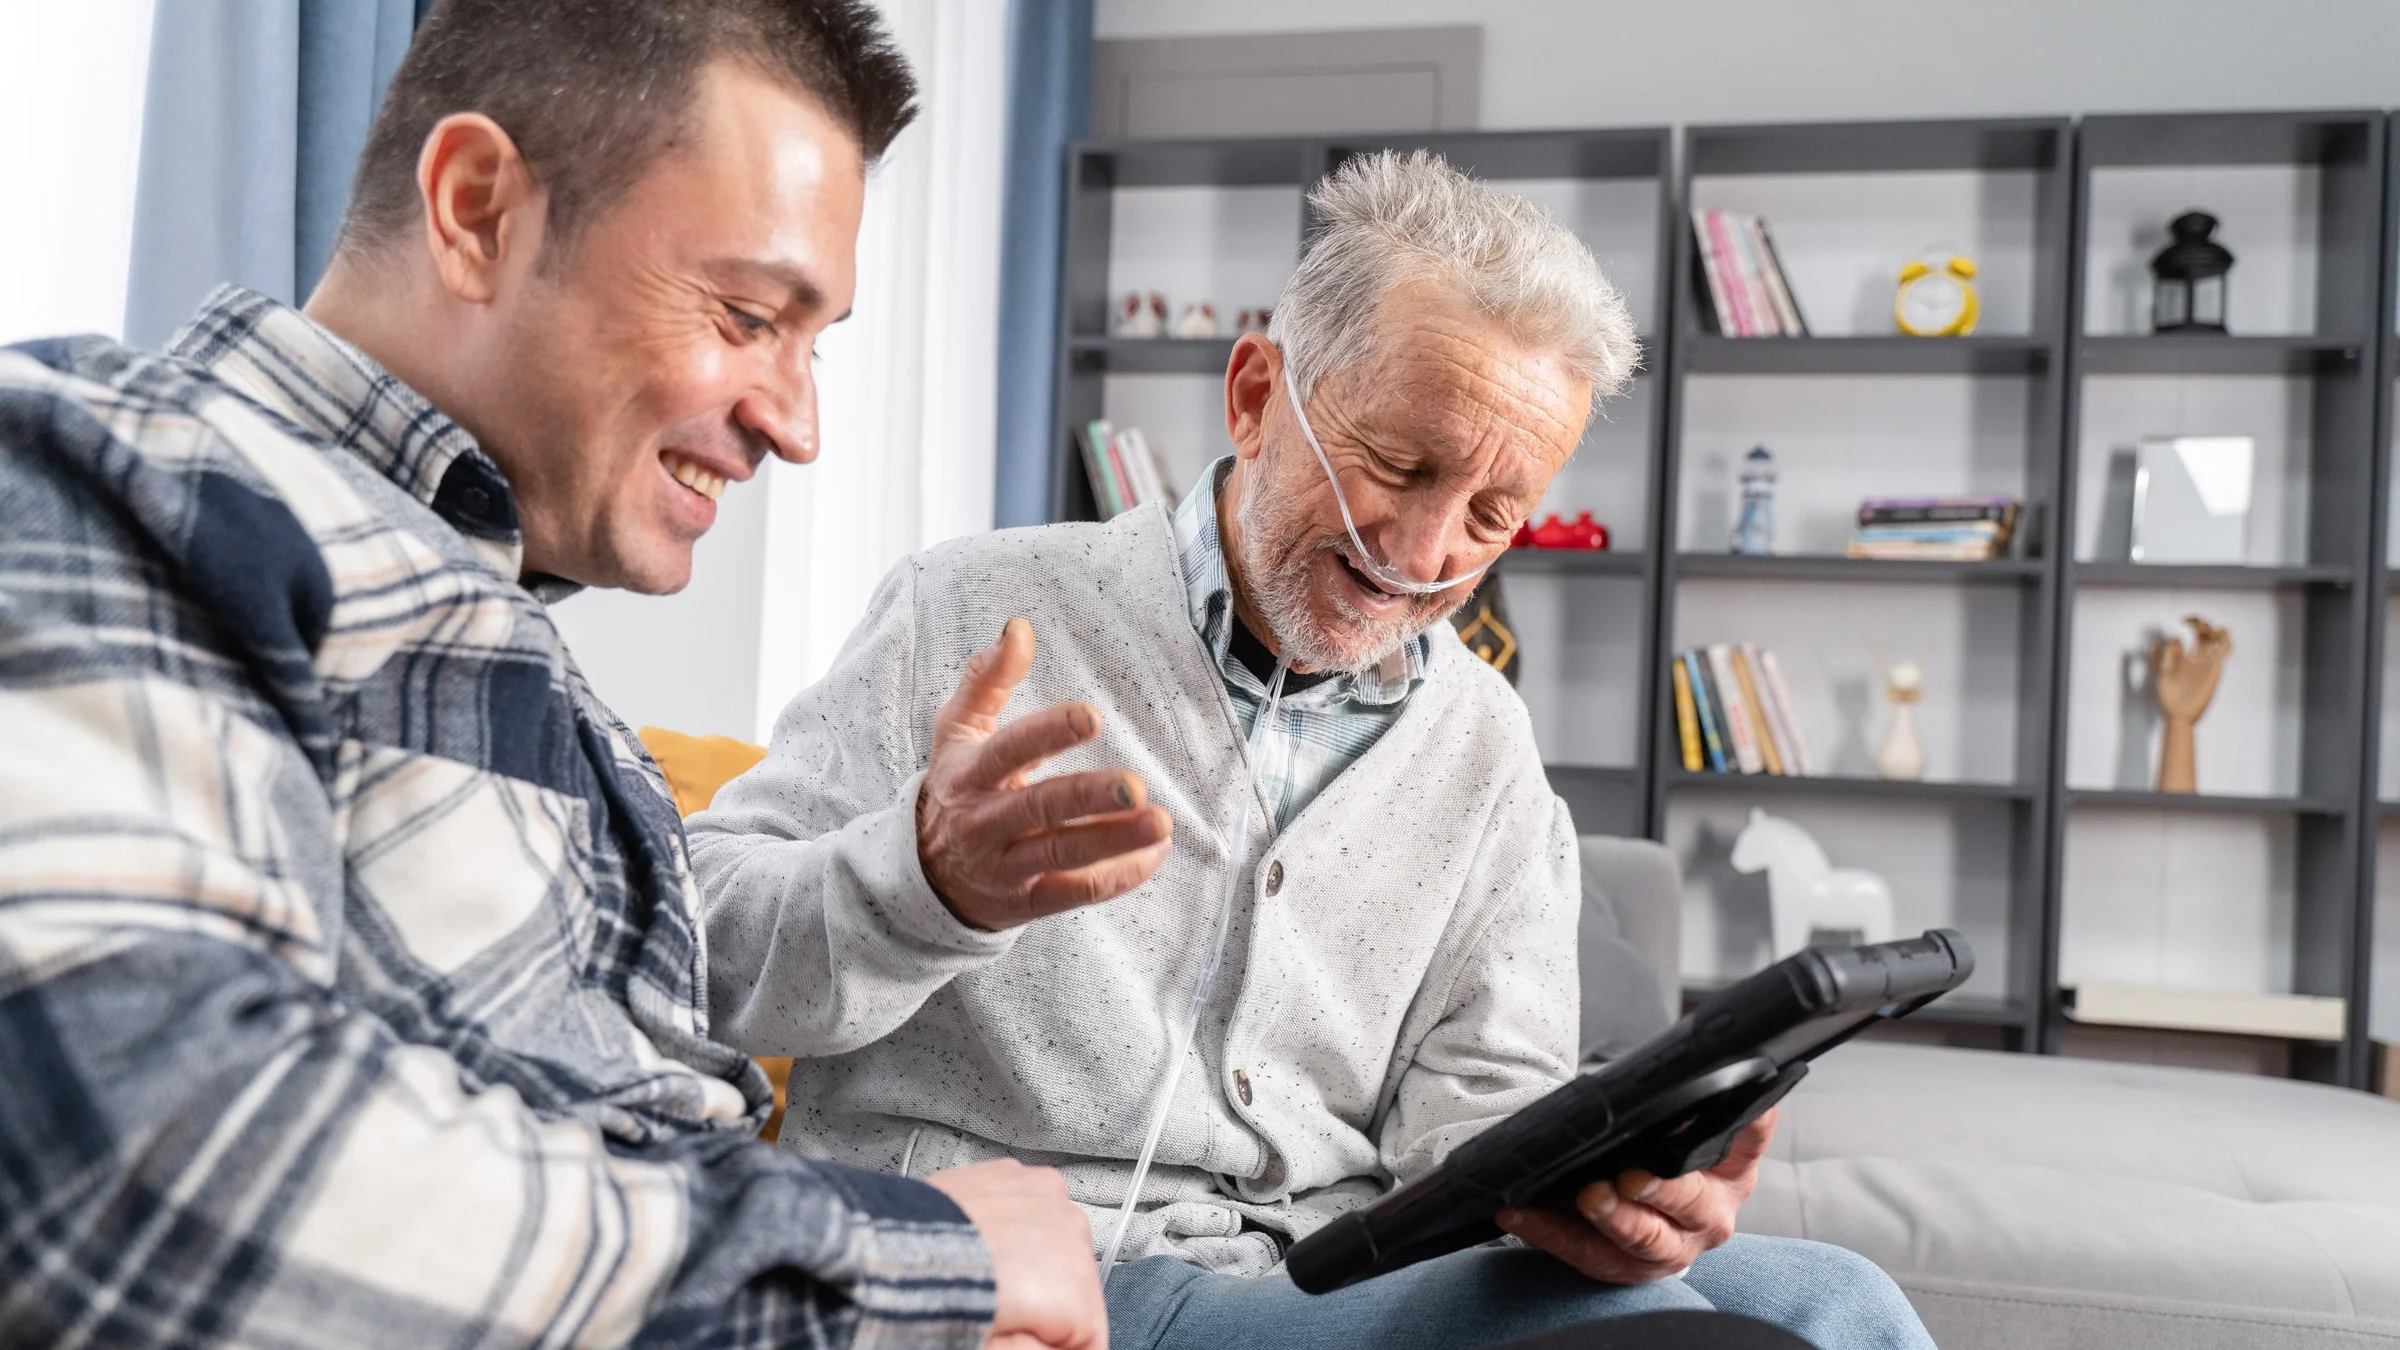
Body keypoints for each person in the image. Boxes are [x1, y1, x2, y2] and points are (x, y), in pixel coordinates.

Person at [688, 151, 1937, 1350]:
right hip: (1026, 1264)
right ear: (1253, 396)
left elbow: (1480, 1115)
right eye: (1401, 465)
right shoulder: (969, 610)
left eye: (1494, 514)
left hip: (1324, 1273)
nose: (1428, 549)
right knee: (1628, 1337)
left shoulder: (1485, 745)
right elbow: (700, 949)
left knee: (1839, 1307)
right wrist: (922, 883)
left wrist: (1594, 1191)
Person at [0, 2, 1103, 1347]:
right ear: (476, 209)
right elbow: (143, 1154)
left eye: (815, 344)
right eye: (751, 315)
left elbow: (666, 983)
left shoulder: (533, 663)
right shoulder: (109, 478)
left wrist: (926, 884)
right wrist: (916, 1255)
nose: (798, 423)